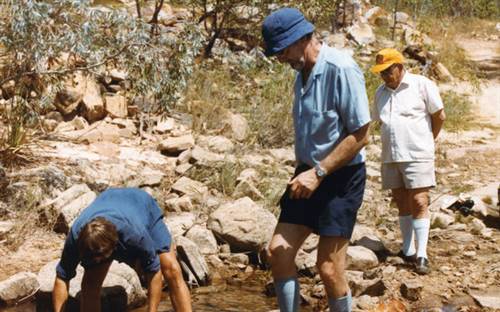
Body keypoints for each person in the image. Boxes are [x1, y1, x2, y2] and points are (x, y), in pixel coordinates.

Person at [262, 8, 371, 312]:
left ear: (302, 38)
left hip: (341, 178)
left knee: (329, 268)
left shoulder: (342, 68)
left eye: (282, 50)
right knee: (279, 251)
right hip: (307, 173)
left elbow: (361, 133)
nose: (280, 59)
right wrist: (309, 172)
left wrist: (320, 172)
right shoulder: (302, 73)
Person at [52, 188, 192, 312]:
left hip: (141, 204)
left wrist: (151, 309)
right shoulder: (76, 236)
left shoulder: (135, 235)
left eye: (101, 258)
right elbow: (62, 277)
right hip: (110, 201)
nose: (98, 262)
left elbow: (154, 271)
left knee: (170, 268)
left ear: (115, 246)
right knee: (90, 283)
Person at [370, 48, 446, 275]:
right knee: (401, 201)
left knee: (419, 201)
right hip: (391, 155)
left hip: (417, 153)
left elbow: (439, 116)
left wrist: (428, 141)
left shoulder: (422, 85)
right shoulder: (380, 93)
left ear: (400, 67)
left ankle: (422, 255)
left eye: (388, 70)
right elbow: (378, 122)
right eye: (381, 72)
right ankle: (407, 248)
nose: (384, 76)